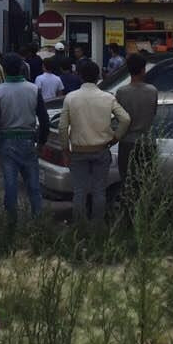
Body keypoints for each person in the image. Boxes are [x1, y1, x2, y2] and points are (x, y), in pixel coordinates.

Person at [59, 59, 129, 223]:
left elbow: (63, 127)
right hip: (101, 150)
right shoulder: (108, 97)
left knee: (79, 192)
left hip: (78, 151)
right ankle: (98, 227)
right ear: (98, 76)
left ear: (80, 76)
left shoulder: (71, 98)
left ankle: (80, 227)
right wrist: (115, 138)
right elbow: (125, 119)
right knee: (99, 191)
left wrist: (65, 151)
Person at [0, 53, 49, 220]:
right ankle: (39, 222)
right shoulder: (34, 89)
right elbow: (44, 120)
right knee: (34, 186)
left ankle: (11, 224)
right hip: (29, 139)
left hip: (6, 141)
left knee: (10, 185)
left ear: (4, 70)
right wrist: (42, 142)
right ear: (22, 68)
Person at [116, 53, 158, 193]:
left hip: (127, 142)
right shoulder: (152, 91)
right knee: (147, 181)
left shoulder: (121, 92)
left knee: (128, 181)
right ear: (143, 69)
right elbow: (154, 113)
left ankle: (130, 212)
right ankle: (145, 210)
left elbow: (119, 118)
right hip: (147, 141)